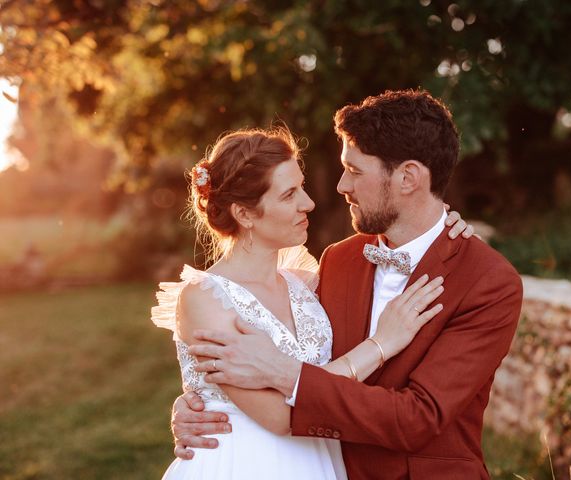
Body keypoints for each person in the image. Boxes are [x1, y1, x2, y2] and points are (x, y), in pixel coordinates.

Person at [172, 89, 523, 479]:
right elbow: (256, 361)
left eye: (355, 171)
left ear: (408, 177)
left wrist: (283, 373)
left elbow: (417, 418)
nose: (340, 185)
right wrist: (202, 403)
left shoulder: (487, 280)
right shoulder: (338, 261)